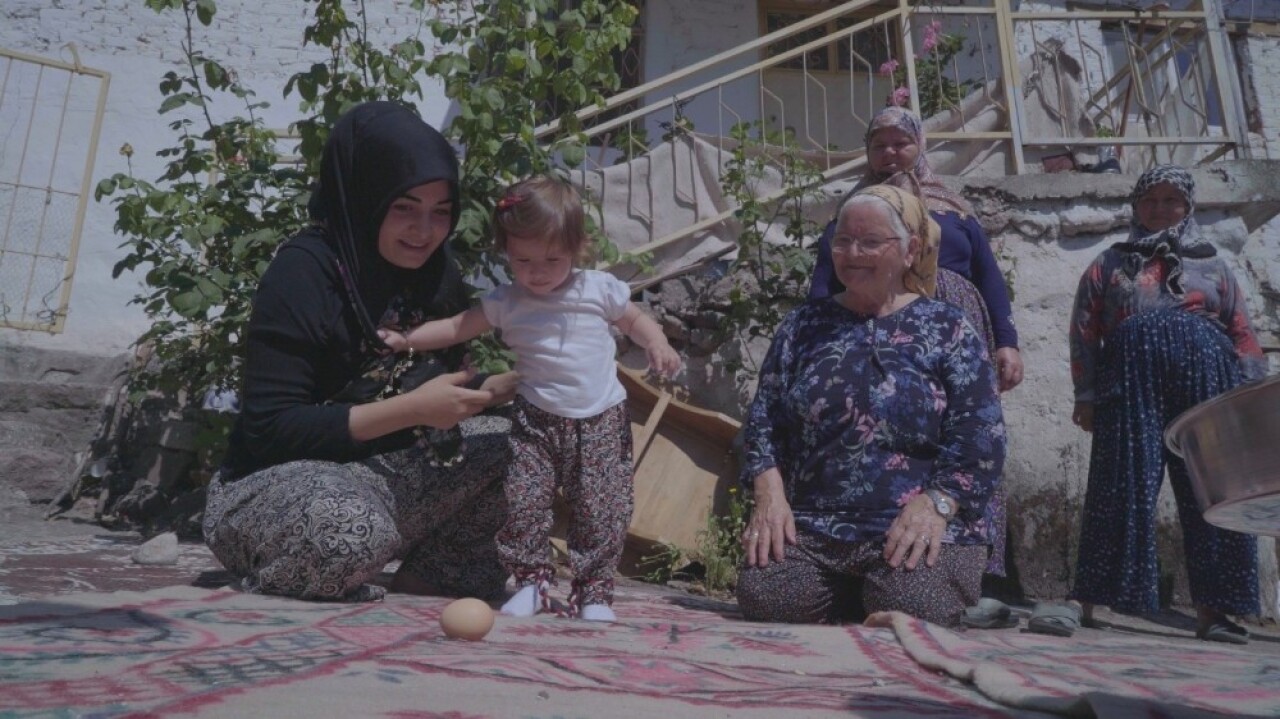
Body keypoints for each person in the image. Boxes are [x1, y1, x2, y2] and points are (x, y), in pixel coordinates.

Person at [202, 101, 519, 603]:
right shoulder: (303, 273)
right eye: (404, 208)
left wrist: (502, 387)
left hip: (385, 475)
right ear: (366, 198)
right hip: (277, 481)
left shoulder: (436, 274)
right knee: (347, 531)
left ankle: (437, 574)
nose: (424, 231)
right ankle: (326, 560)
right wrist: (413, 411)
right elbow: (270, 430)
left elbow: (424, 388)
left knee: (533, 442)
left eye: (441, 212)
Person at [381, 175, 682, 622]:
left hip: (600, 418)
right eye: (522, 259)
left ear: (577, 248)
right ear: (505, 252)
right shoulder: (507, 300)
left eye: (551, 259)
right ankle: (531, 582)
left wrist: (658, 343)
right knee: (523, 501)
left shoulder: (597, 288)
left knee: (602, 507)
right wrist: (405, 340)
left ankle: (594, 591)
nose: (536, 271)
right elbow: (457, 327)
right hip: (537, 420)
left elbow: (636, 320)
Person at [736, 184, 1006, 627]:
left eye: (870, 242)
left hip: (917, 521)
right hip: (816, 527)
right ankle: (855, 595)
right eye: (842, 241)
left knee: (912, 603)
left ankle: (878, 593)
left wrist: (938, 503)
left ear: (910, 249)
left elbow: (982, 437)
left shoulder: (947, 327)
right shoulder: (803, 326)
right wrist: (768, 493)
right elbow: (764, 420)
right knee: (768, 595)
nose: (852, 252)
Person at [809, 106, 1017, 577]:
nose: (890, 153)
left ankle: (976, 566)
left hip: (956, 332)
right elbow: (825, 277)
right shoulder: (855, 212)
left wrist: (1006, 341)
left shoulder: (955, 208)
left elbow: (989, 275)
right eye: (879, 144)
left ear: (920, 144)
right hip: (872, 334)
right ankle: (871, 557)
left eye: (900, 142)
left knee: (968, 435)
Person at [1068, 164, 1266, 644]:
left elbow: (1241, 333)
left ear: (1188, 206)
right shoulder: (1109, 263)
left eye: (1171, 200)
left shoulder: (1214, 264)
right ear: (1135, 206)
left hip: (1208, 383)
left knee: (1210, 491)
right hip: (1129, 380)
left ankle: (1214, 612)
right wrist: (1086, 395)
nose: (1160, 209)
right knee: (1119, 484)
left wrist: (1250, 402)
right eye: (1150, 200)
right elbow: (1083, 332)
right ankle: (1084, 601)